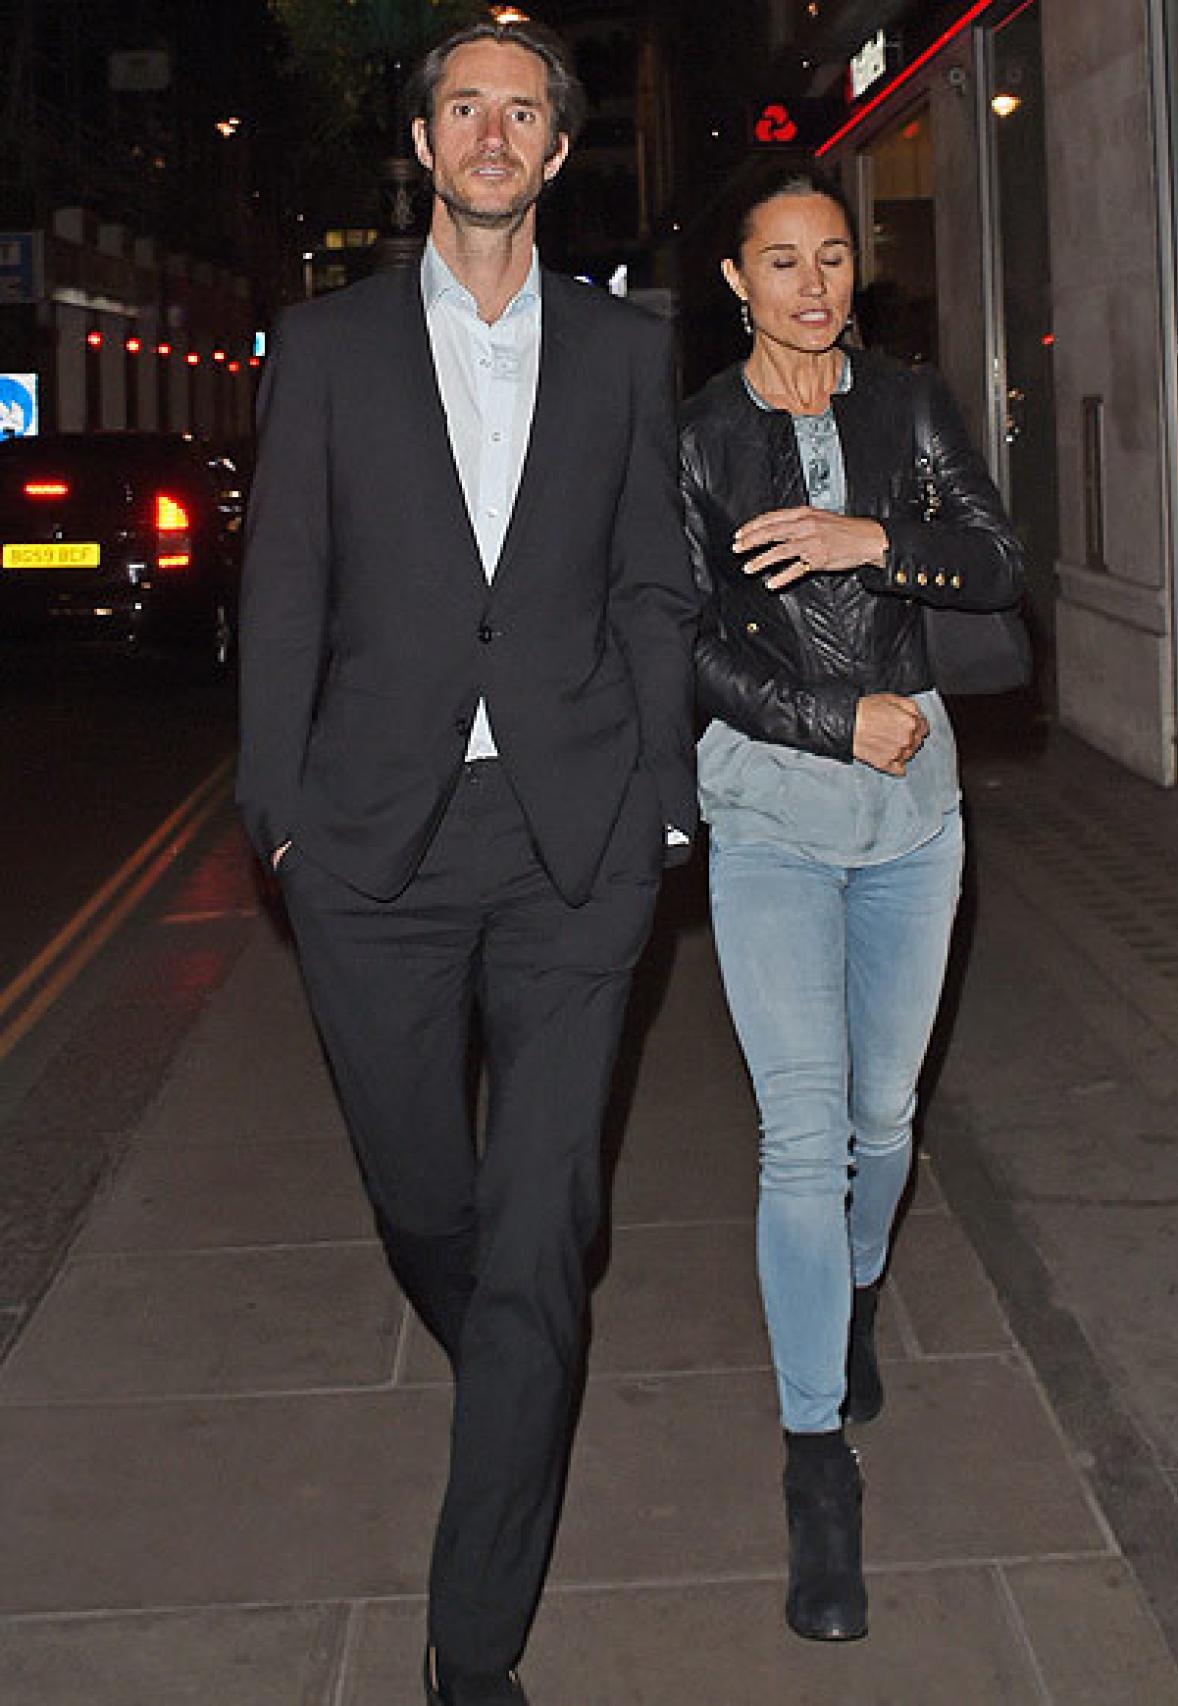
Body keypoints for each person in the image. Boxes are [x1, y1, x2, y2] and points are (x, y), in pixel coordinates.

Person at [236, 21, 697, 1705]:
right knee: (439, 1206)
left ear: (559, 155)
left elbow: (656, 578)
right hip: (372, 843)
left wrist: (662, 798)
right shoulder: (326, 344)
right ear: (424, 147)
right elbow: (282, 587)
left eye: (524, 111)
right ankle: (518, 1351)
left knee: (540, 1218)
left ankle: (474, 1646)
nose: (493, 133)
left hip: (577, 841)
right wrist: (273, 811)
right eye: (464, 108)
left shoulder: (622, 350)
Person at [679, 168, 1022, 1645]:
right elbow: (684, 638)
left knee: (886, 1120)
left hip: (914, 822)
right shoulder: (697, 437)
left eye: (832, 257)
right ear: (737, 282)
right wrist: (838, 717)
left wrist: (872, 540)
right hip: (767, 812)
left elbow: (999, 561)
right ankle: (817, 1454)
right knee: (801, 1130)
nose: (813, 283)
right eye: (782, 261)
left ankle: (856, 1286)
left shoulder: (909, 405)